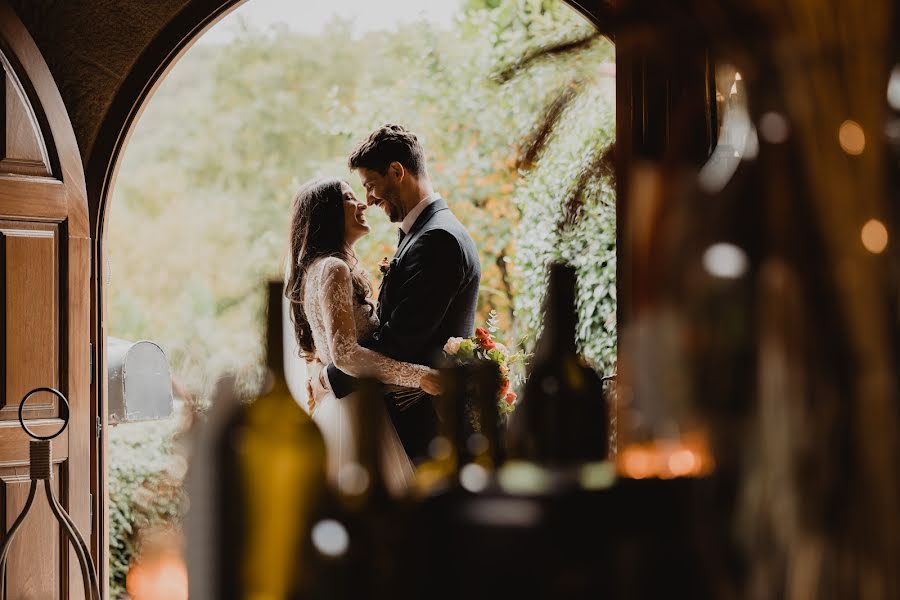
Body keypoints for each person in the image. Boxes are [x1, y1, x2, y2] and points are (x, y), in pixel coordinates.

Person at [312, 124, 481, 464]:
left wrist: (327, 378)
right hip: (414, 418)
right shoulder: (422, 233)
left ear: (396, 171)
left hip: (427, 424)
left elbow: (400, 340)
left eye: (371, 186)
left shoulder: (437, 240)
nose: (369, 200)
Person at [285, 176, 442, 493]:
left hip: (341, 406)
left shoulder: (317, 268)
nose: (362, 204)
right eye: (348, 198)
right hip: (356, 410)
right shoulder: (333, 268)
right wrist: (419, 376)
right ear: (327, 213)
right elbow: (345, 355)